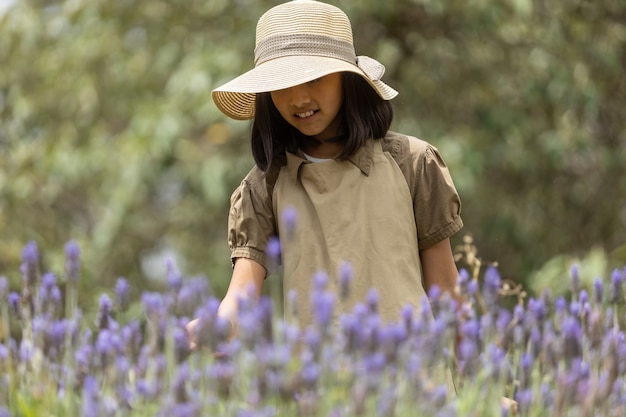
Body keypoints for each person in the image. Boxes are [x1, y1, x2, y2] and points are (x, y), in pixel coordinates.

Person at [188, 0, 464, 341]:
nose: (299, 98)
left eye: (314, 79)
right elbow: (243, 292)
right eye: (282, 84)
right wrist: (219, 326)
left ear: (348, 80)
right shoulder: (264, 187)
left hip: (414, 384)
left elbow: (446, 289)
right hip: (318, 386)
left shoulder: (412, 163)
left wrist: (481, 385)